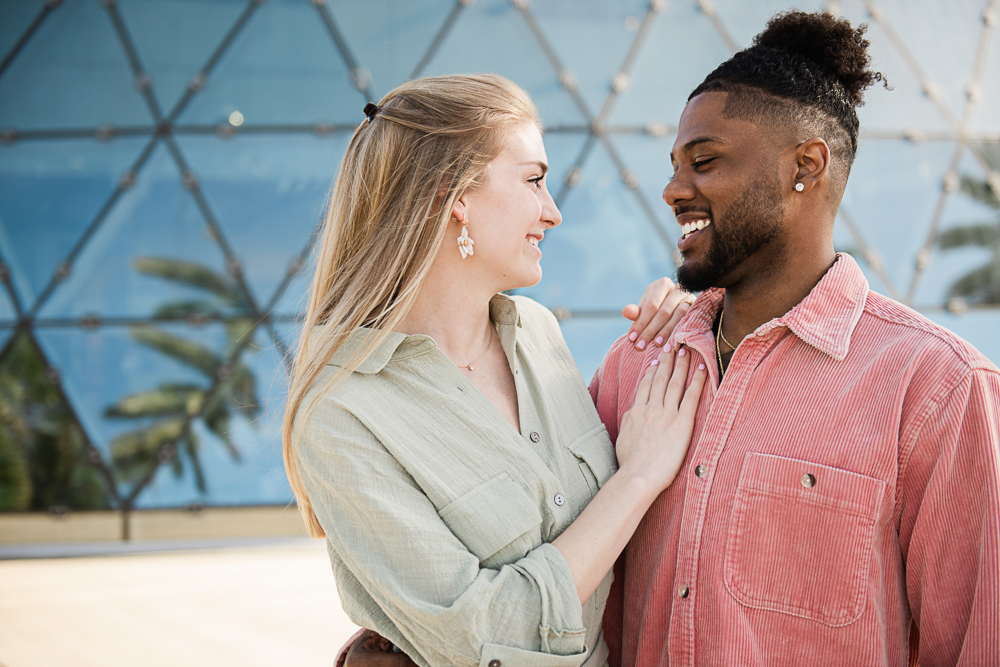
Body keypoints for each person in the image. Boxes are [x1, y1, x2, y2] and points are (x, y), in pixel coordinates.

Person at [590, 11, 1000, 667]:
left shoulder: (938, 388)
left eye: (704, 160)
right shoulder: (633, 365)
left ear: (805, 166)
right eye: (673, 165)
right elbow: (540, 574)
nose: (672, 189)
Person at [281, 74, 707, 667]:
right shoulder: (340, 415)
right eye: (533, 180)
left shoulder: (537, 334)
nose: (552, 213)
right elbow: (483, 637)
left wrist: (688, 320)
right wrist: (635, 481)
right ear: (453, 194)